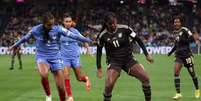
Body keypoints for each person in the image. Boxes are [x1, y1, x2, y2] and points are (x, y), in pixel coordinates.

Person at [9, 12, 91, 101]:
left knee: (61, 87)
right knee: (44, 74)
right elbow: (25, 38)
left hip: (55, 57)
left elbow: (74, 36)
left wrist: (87, 40)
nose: (51, 26)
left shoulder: (58, 29)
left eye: (52, 24)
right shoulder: (35, 30)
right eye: (49, 25)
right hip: (42, 56)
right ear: (43, 23)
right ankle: (48, 95)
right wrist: (15, 45)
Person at [96, 12, 153, 101]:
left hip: (128, 59)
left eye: (115, 22)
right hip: (114, 61)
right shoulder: (103, 35)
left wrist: (147, 54)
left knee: (145, 78)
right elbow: (99, 52)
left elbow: (138, 40)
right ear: (106, 24)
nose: (114, 25)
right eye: (111, 24)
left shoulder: (125, 29)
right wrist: (99, 68)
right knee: (109, 85)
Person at [60, 13, 91, 101]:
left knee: (79, 78)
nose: (68, 23)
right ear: (63, 22)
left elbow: (83, 39)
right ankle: (70, 97)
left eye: (70, 21)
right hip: (64, 58)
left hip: (75, 57)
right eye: (66, 21)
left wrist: (88, 50)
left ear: (71, 22)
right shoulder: (59, 32)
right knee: (66, 76)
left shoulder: (75, 31)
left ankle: (86, 79)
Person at [168, 16, 200, 100]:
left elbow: (192, 39)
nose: (176, 23)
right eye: (175, 22)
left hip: (187, 55)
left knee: (192, 74)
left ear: (181, 23)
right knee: (176, 72)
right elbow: (176, 44)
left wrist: (183, 41)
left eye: (178, 22)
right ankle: (178, 93)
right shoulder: (174, 32)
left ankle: (197, 89)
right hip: (179, 56)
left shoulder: (185, 30)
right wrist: (171, 52)